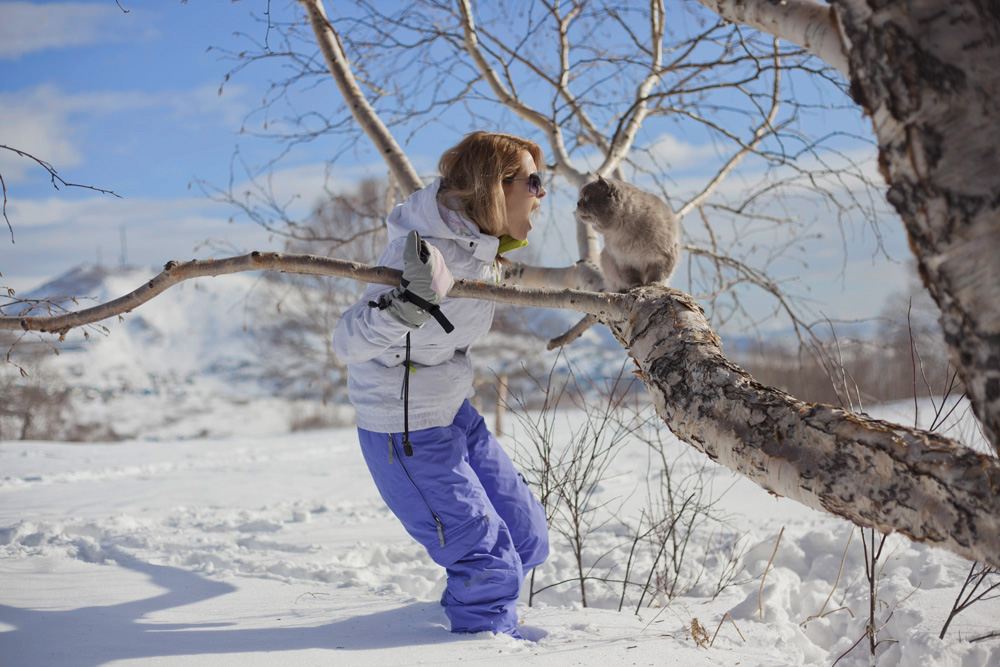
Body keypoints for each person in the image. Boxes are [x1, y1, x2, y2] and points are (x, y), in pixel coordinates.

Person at [332, 131, 550, 638]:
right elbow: (347, 342)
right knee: (488, 563)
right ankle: (478, 644)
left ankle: (462, 618)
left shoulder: (480, 243)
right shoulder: (422, 253)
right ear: (495, 188)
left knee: (524, 536)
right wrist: (407, 305)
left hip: (453, 410)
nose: (542, 194)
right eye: (534, 181)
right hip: (405, 430)